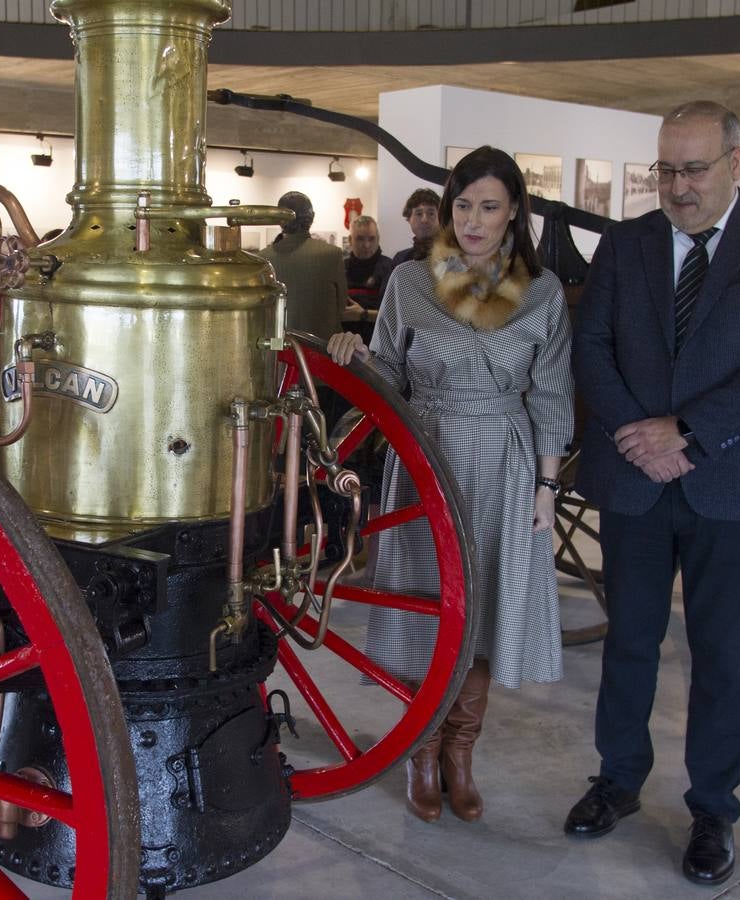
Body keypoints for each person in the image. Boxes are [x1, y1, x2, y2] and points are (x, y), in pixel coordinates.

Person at [563, 101, 740, 886]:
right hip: (636, 480)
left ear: (735, 163)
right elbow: (593, 348)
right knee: (630, 645)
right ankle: (617, 782)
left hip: (733, 483)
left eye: (694, 170)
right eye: (665, 170)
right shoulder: (625, 243)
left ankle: (713, 809)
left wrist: (687, 433)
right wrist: (642, 435)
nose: (677, 187)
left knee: (718, 657)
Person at [327, 146, 573, 825]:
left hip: (505, 465)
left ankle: (461, 755)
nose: (472, 219)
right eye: (462, 204)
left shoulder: (543, 293)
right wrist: (359, 358)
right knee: (426, 616)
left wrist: (548, 489)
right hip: (425, 464)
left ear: (515, 212)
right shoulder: (411, 281)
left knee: (484, 616)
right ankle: (421, 751)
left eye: (488, 206)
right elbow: (392, 386)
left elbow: (551, 395)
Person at [259, 191, 350, 342]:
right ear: (312, 217)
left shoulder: (263, 259)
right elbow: (341, 309)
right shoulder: (332, 254)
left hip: (279, 346)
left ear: (279, 220)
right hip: (322, 348)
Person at [344, 215, 394, 310]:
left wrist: (363, 314)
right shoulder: (340, 268)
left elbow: (393, 313)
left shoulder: (390, 268)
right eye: (360, 239)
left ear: (378, 239)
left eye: (371, 239)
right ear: (350, 240)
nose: (366, 245)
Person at [391, 188, 441, 266]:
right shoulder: (400, 260)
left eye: (431, 213)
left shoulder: (454, 256)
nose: (425, 220)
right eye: (419, 214)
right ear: (408, 218)